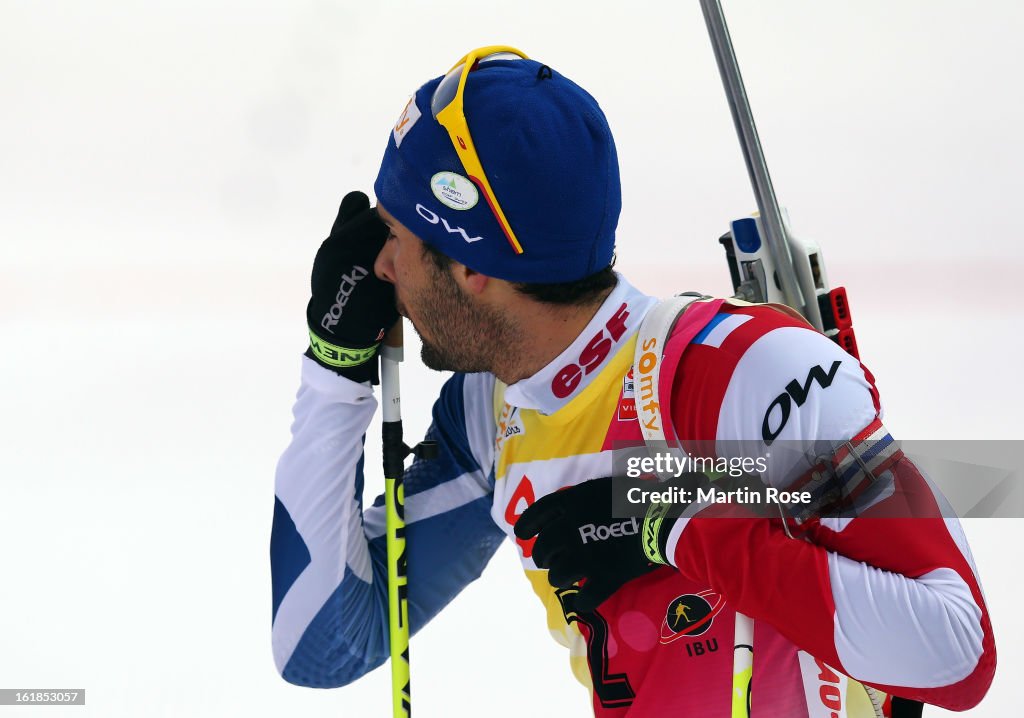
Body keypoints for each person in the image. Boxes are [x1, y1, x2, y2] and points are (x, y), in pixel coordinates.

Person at [270, 46, 995, 716]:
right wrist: (336, 370)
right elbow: (320, 643)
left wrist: (676, 522)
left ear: (474, 268)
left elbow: (957, 654)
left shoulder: (742, 371)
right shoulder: (491, 416)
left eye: (394, 237)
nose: (379, 270)